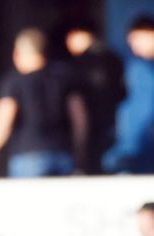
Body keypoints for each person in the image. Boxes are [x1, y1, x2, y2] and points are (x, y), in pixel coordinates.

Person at [0, 28, 87, 178]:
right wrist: (79, 148)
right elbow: (79, 117)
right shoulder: (64, 77)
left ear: (18, 53)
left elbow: (4, 117)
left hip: (28, 156)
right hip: (63, 154)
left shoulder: (14, 81)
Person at [63, 20, 126, 174]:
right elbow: (122, 92)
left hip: (90, 127)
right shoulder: (113, 58)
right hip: (112, 124)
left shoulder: (79, 64)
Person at [104, 16, 154, 174]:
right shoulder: (130, 67)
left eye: (141, 37)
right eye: (132, 39)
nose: (134, 43)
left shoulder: (143, 70)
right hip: (132, 153)